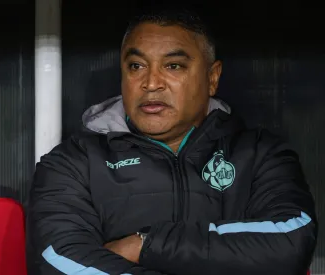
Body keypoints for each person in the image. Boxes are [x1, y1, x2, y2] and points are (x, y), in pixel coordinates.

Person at [26, 6, 317, 275]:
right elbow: (59, 259)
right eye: (136, 66)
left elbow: (291, 239)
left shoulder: (260, 154)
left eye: (173, 66)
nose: (151, 83)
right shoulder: (72, 163)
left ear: (212, 78)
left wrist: (146, 245)